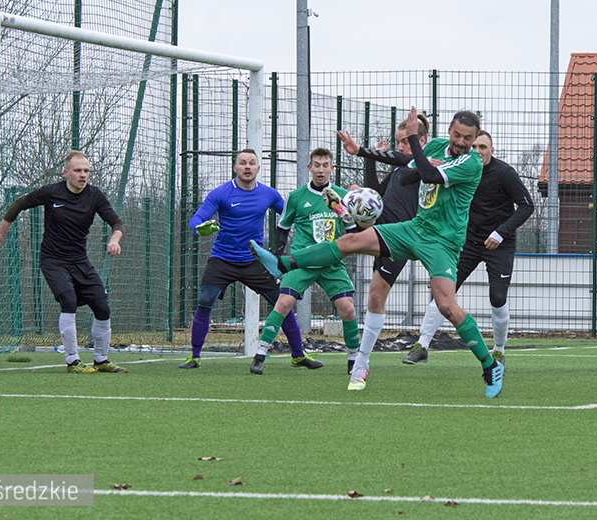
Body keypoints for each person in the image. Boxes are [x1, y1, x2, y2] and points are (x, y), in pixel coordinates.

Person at [251, 108, 505, 397]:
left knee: (446, 305)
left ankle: (489, 365)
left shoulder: (471, 163)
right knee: (351, 242)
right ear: (449, 130)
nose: (461, 142)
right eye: (457, 135)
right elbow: (410, 175)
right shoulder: (434, 146)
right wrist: (392, 160)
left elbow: (430, 176)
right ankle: (284, 264)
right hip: (414, 227)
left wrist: (420, 161)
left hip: (442, 242)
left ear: (474, 139)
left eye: (468, 138)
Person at [0, 150, 126, 373]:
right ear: (66, 172)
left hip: (80, 261)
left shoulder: (95, 196)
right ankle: (72, 361)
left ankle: (101, 359)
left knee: (102, 307)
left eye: (86, 171)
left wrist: (114, 240)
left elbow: (116, 222)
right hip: (53, 260)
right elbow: (19, 203)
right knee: (68, 301)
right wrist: (1, 233)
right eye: (78, 170)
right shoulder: (52, 193)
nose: (83, 175)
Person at [180, 149, 321, 373]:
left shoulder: (269, 194)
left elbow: (292, 214)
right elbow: (196, 218)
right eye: (243, 163)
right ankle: (194, 356)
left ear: (258, 168)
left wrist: (316, 217)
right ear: (235, 168)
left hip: (254, 260)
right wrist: (198, 228)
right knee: (205, 301)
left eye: (252, 163)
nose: (247, 167)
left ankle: (298, 355)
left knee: (284, 304)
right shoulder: (221, 193)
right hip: (222, 260)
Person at [404, 130, 534, 366]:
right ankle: (421, 345)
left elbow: (527, 206)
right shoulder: (459, 169)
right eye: (473, 147)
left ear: (492, 151)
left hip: (499, 244)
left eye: (483, 147)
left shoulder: (505, 173)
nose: (477, 151)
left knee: (497, 297)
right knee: (443, 292)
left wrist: (501, 233)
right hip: (467, 242)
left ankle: (499, 350)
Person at [250, 148, 361, 375]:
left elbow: (353, 232)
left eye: (325, 165)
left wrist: (342, 211)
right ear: (309, 168)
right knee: (283, 303)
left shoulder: (341, 195)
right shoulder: (297, 197)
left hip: (331, 263)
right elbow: (282, 229)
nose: (321, 170)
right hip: (301, 261)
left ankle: (353, 361)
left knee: (348, 309)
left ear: (332, 168)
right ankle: (259, 355)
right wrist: (279, 258)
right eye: (317, 165)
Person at [336, 114, 428, 327]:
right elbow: (376, 191)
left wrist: (364, 151)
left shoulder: (423, 167)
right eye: (398, 142)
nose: (400, 146)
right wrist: (371, 158)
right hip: (381, 227)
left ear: (420, 141)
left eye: (405, 141)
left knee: (377, 298)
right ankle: (362, 359)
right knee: (374, 299)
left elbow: (408, 160)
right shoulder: (399, 169)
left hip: (399, 238)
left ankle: (352, 224)